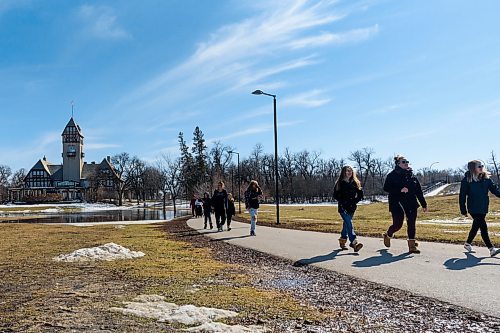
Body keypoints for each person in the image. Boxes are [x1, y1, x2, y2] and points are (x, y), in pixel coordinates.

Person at [383, 155, 427, 254]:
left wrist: (424, 204)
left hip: (411, 203)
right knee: (398, 225)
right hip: (397, 203)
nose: (406, 163)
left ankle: (412, 246)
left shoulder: (412, 176)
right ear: (398, 164)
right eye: (403, 162)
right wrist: (400, 190)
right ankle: (388, 234)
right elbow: (386, 188)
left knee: (411, 223)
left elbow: (419, 192)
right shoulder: (392, 175)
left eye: (407, 161)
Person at [459, 160, 500, 257]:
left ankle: (467, 243)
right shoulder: (467, 180)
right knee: (483, 226)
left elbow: (495, 191)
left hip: (483, 207)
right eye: (479, 166)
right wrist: (463, 210)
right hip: (473, 207)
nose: (481, 167)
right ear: (473, 168)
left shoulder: (486, 179)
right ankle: (491, 248)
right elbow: (462, 196)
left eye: (482, 166)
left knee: (476, 226)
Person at [333, 166, 364, 252]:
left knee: (346, 224)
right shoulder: (339, 183)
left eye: (350, 171)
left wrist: (355, 201)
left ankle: (342, 240)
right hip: (343, 207)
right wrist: (343, 201)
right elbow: (335, 195)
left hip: (352, 207)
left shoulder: (355, 182)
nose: (349, 172)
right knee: (349, 223)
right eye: (347, 171)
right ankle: (354, 243)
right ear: (343, 172)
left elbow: (360, 194)